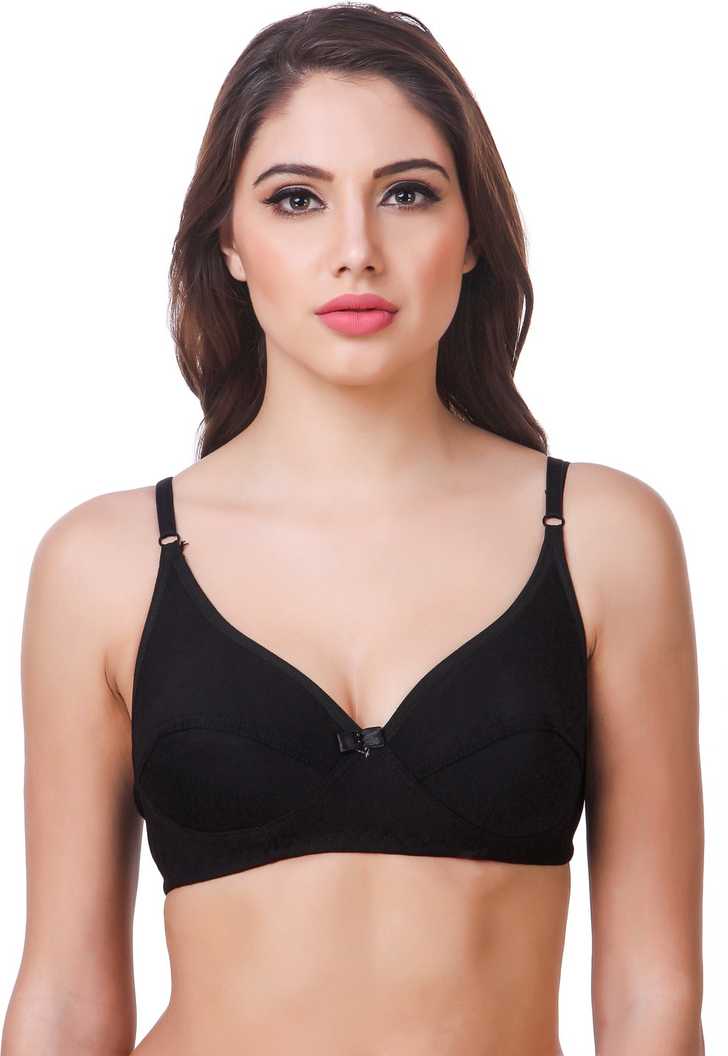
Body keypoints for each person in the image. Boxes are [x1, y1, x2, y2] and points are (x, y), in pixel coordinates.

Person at [2, 5, 705, 1055]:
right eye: (296, 199)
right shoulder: (104, 564)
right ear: (229, 243)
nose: (356, 252)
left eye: (406, 194)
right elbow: (63, 999)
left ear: (473, 235)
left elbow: (654, 997)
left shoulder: (602, 538)